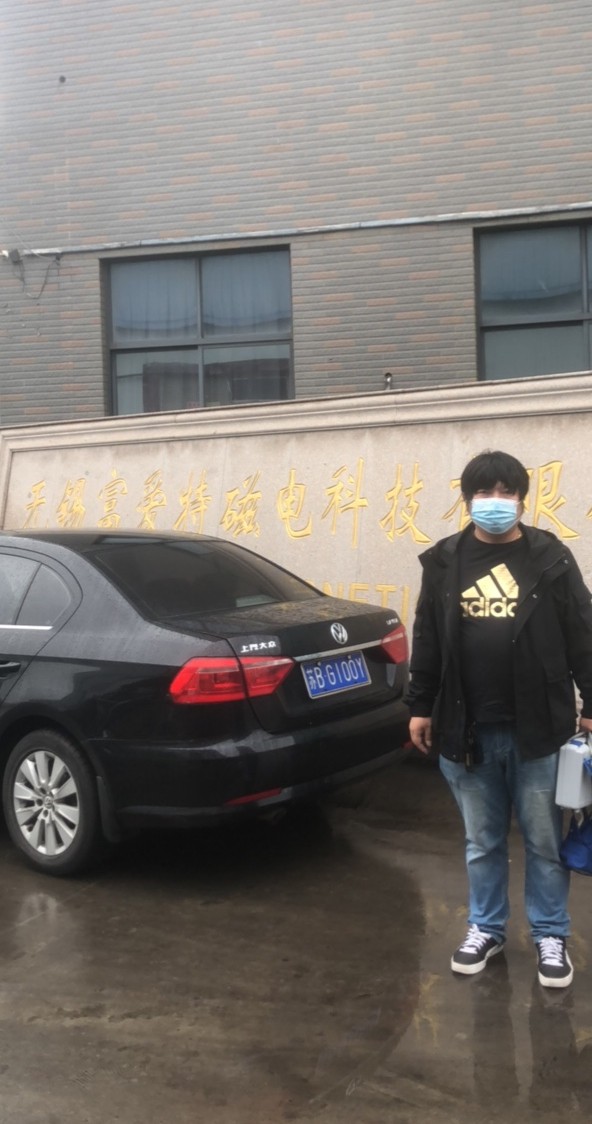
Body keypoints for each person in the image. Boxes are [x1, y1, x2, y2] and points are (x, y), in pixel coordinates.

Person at [406, 450, 592, 988]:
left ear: (522, 500)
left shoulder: (550, 558)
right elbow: (428, 636)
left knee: (543, 842)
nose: (495, 501)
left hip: (538, 728)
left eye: (506, 492)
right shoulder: (444, 561)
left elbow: (582, 631)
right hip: (466, 728)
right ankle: (486, 927)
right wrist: (419, 705)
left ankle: (550, 933)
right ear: (467, 500)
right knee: (482, 841)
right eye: (484, 492)